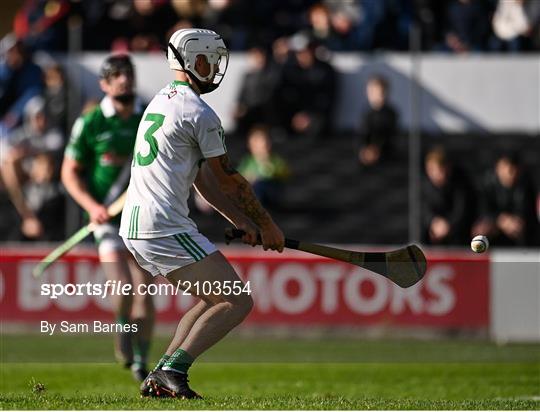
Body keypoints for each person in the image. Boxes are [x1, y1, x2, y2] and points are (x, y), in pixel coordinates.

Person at [119, 28, 285, 399]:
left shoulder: (161, 101)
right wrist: (268, 225)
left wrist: (240, 222)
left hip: (137, 225)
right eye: (211, 61)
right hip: (161, 225)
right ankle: (172, 372)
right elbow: (230, 181)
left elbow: (203, 181)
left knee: (214, 298)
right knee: (236, 300)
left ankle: (161, 375)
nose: (214, 69)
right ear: (195, 61)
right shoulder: (199, 112)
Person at [61, 54, 155, 381]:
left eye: (127, 73)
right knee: (123, 287)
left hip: (144, 218)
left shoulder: (149, 118)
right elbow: (69, 173)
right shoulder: (91, 122)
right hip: (108, 221)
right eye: (115, 75)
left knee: (145, 291)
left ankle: (142, 362)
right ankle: (121, 331)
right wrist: (91, 205)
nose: (123, 80)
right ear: (104, 83)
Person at [1, 96, 64, 240]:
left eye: (44, 116)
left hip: (48, 185)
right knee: (9, 163)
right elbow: (7, 154)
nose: (41, 121)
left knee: (44, 161)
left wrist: (26, 152)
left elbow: (53, 148)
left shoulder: (53, 133)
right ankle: (28, 216)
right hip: (23, 184)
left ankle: (31, 218)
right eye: (37, 117)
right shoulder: (21, 134)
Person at [473, 153, 538, 246]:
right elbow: (482, 210)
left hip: (517, 230)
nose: (509, 172)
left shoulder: (526, 185)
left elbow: (527, 213)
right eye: (505, 167)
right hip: (493, 228)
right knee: (482, 230)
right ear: (497, 168)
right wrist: (500, 220)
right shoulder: (486, 184)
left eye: (513, 169)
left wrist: (510, 222)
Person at [422, 147, 476, 245]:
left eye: (440, 169)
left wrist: (448, 225)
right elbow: (422, 210)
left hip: (459, 238)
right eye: (432, 169)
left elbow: (461, 211)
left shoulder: (461, 184)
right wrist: (433, 222)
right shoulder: (423, 186)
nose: (436, 174)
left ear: (448, 168)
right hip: (431, 238)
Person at [238, 125, 290, 209]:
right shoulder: (248, 161)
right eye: (256, 142)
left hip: (271, 191)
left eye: (264, 142)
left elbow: (285, 173)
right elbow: (240, 175)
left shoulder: (275, 160)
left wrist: (271, 169)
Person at [0, 35, 44, 134]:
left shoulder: (34, 70)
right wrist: (9, 69)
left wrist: (15, 112)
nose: (15, 53)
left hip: (21, 117)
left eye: (18, 49)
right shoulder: (3, 69)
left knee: (36, 103)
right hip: (3, 116)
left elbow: (33, 92)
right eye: (11, 50)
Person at [357, 75, 398, 167]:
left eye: (378, 92)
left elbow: (388, 135)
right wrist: (364, 150)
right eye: (371, 92)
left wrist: (376, 149)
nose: (374, 95)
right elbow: (362, 134)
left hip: (385, 155)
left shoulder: (390, 114)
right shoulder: (366, 113)